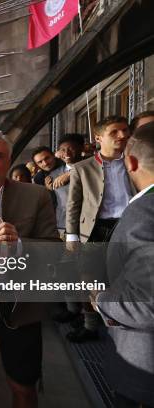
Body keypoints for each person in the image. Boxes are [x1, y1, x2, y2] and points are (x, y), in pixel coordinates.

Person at [0, 130, 59, 408]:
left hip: (20, 303)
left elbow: (54, 249)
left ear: (9, 160)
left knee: (23, 383)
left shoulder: (37, 196)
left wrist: (18, 244)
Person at [92, 122, 154, 407]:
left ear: (130, 162)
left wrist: (101, 300)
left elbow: (146, 303)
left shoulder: (145, 215)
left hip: (144, 371)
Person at [66, 116, 133, 342]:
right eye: (115, 132)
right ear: (98, 138)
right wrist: (72, 236)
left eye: (125, 131)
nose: (122, 136)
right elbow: (73, 204)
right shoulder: (82, 168)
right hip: (95, 230)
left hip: (128, 228)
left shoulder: (135, 162)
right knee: (90, 279)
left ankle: (122, 324)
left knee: (125, 277)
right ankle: (91, 324)